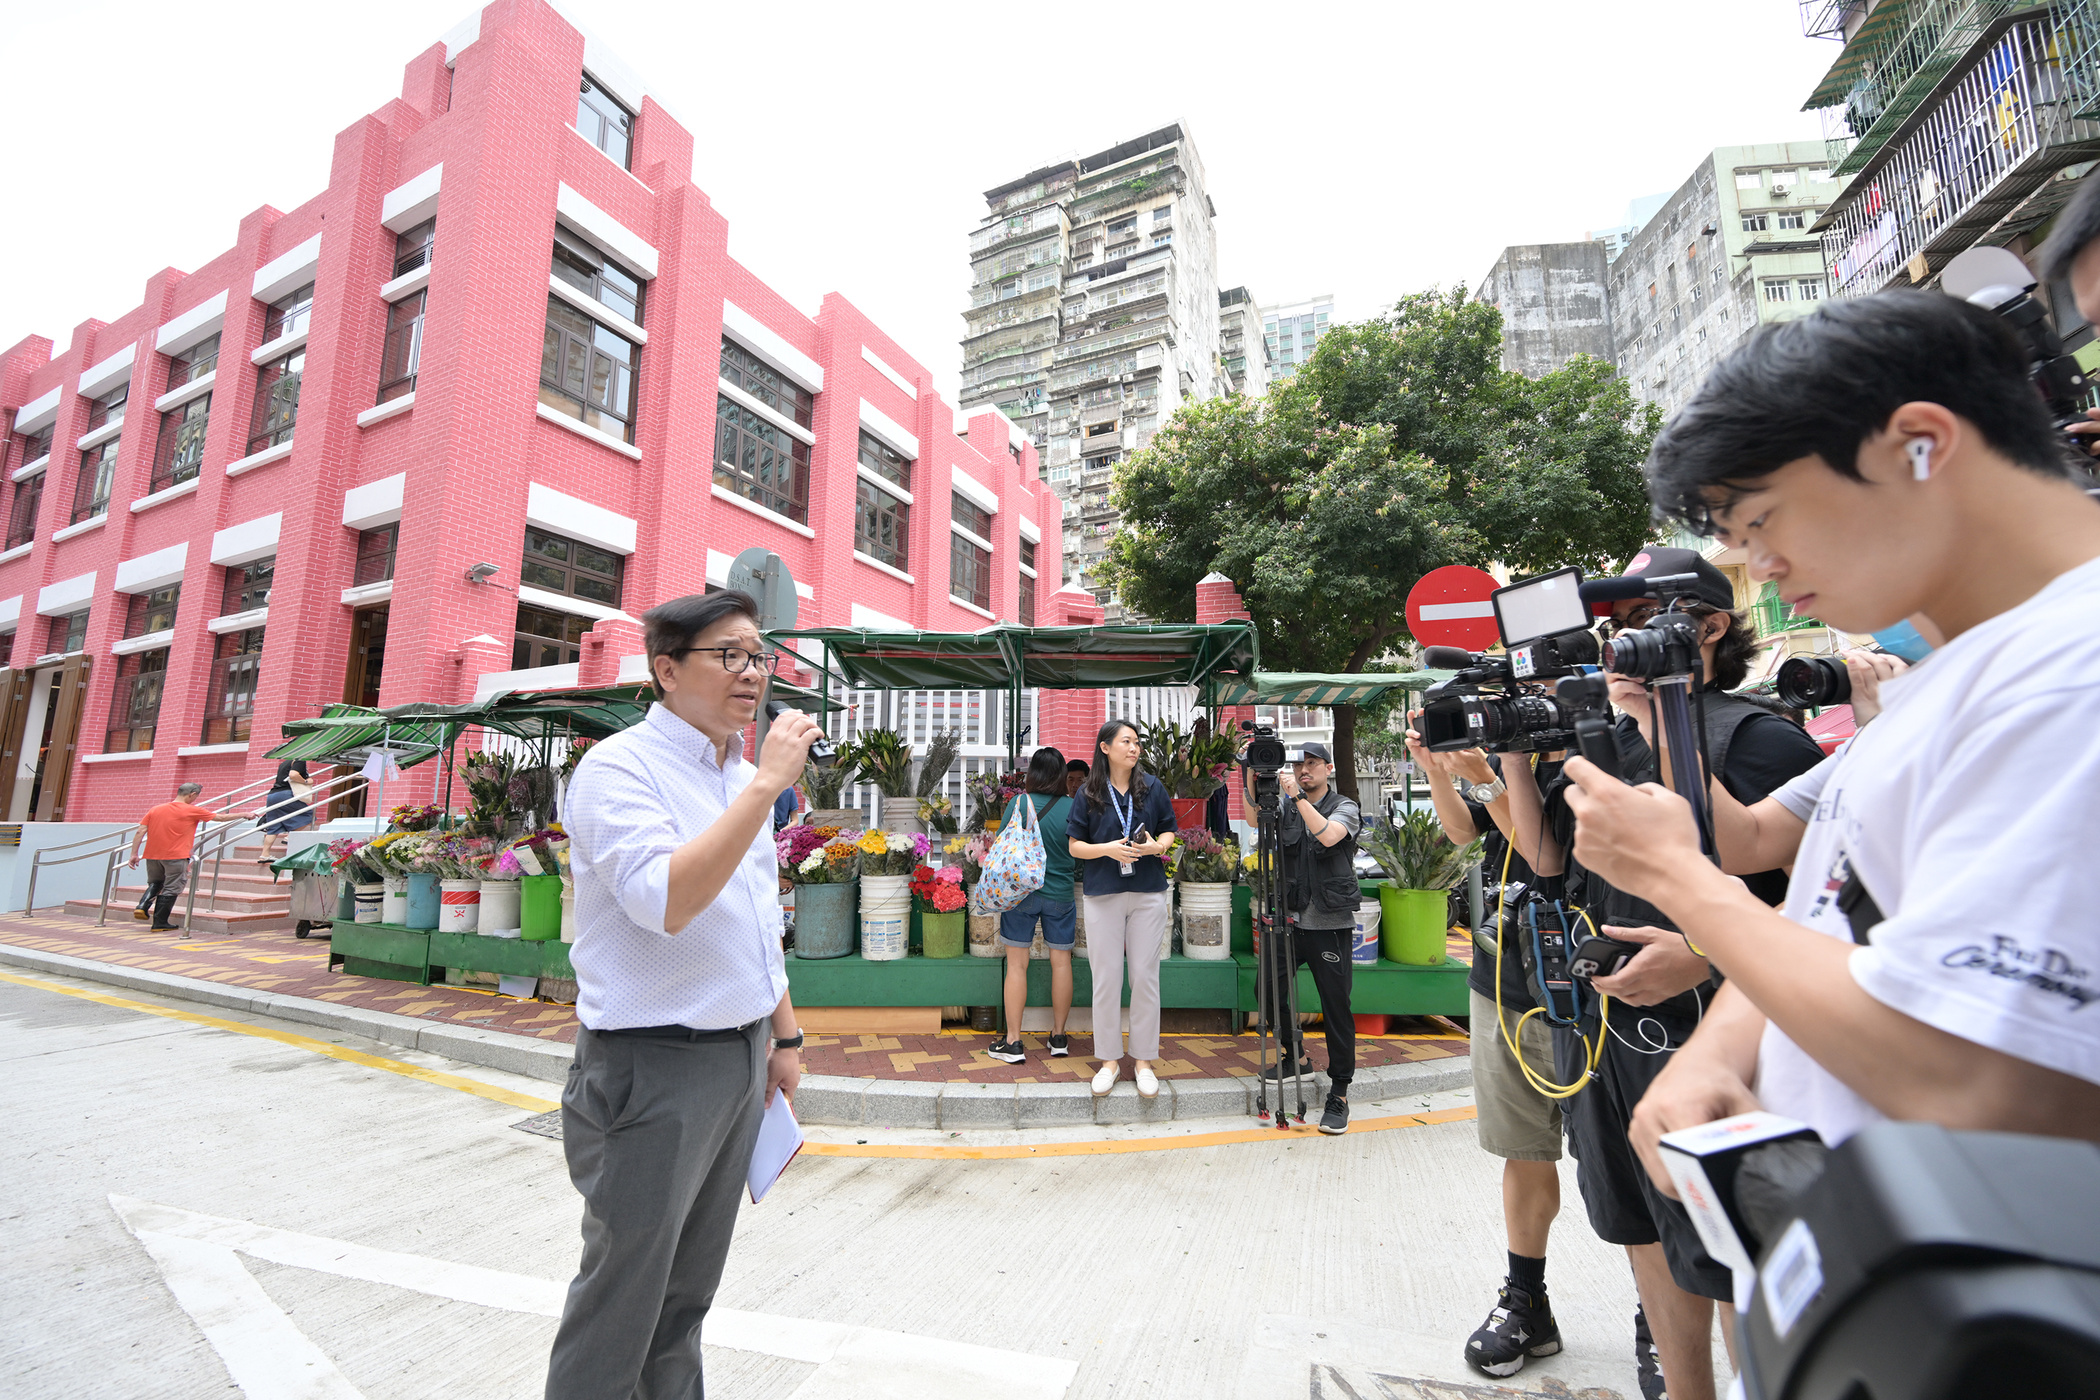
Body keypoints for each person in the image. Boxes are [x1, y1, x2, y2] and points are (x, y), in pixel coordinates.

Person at [1553, 292, 2100, 1223]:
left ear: (1918, 446)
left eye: (1763, 521)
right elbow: (1832, 915)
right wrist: (1724, 1045)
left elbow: (1982, 1082)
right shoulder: (1962, 681)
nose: (1760, 566)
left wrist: (1680, 881)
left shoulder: (2065, 677)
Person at [1501, 546, 1826, 1400]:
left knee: (1727, 1248)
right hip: (1605, 1028)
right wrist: (1511, 754)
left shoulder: (1757, 737)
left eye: (1642, 622)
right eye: (1611, 626)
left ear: (1710, 627)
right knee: (1642, 1228)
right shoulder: (1598, 738)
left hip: (1713, 1036)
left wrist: (1704, 955)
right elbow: (1548, 860)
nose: (1617, 643)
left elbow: (1819, 908)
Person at [545, 590, 820, 1400]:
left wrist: (785, 1036)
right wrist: (766, 788)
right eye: (728, 654)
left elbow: (756, 918)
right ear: (667, 670)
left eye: (758, 655)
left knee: (685, 1300)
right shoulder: (619, 768)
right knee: (621, 1301)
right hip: (651, 1065)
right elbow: (665, 902)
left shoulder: (737, 773)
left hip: (738, 1060)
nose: (752, 673)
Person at [1405, 725, 1573, 1381]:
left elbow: (1544, 855)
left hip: (1596, 986)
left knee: (1627, 1164)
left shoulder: (1605, 742)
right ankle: (1527, 1301)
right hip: (1506, 979)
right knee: (1523, 1148)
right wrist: (1437, 770)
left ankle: (1657, 1316)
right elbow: (1461, 832)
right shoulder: (1512, 750)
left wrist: (1489, 775)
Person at [1245, 741, 1361, 1136]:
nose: (1303, 770)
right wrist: (1250, 774)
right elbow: (1252, 819)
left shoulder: (1345, 806)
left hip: (1329, 922)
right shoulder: (1285, 806)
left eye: (1312, 764)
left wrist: (1296, 797)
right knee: (1267, 988)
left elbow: (1329, 836)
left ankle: (1339, 1092)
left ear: (1329, 768)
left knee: (1336, 1006)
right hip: (1289, 919)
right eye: (1298, 765)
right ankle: (1295, 1057)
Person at [1067, 719, 1177, 1098]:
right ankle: (1109, 1061)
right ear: (1105, 747)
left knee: (1145, 977)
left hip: (1148, 893)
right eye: (1126, 741)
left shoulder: (1153, 787)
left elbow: (1169, 830)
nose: (1134, 748)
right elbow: (1075, 846)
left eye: (1136, 742)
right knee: (1106, 979)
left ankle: (1144, 1061)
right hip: (1103, 894)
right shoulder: (1088, 792)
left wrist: (1156, 847)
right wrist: (1108, 850)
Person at [986, 747, 1077, 1065]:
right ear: (1063, 775)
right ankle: (1059, 1037)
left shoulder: (1019, 804)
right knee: (1061, 964)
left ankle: (1013, 1042)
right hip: (1061, 894)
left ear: (1032, 774)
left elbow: (1001, 844)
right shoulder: (1073, 807)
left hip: (1021, 894)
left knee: (1016, 966)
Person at [129, 783, 226, 930]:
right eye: (196, 796)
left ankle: (142, 905)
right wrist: (245, 815)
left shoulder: (156, 809)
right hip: (176, 856)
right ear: (192, 794)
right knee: (171, 888)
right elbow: (219, 817)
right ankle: (160, 922)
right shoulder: (192, 810)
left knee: (156, 883)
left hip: (152, 855)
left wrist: (134, 854)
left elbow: (140, 831)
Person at [255, 760, 315, 868]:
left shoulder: (284, 763)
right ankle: (289, 836)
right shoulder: (299, 760)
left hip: (273, 795)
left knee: (273, 826)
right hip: (286, 794)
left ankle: (265, 854)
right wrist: (306, 781)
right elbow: (293, 774)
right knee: (309, 815)